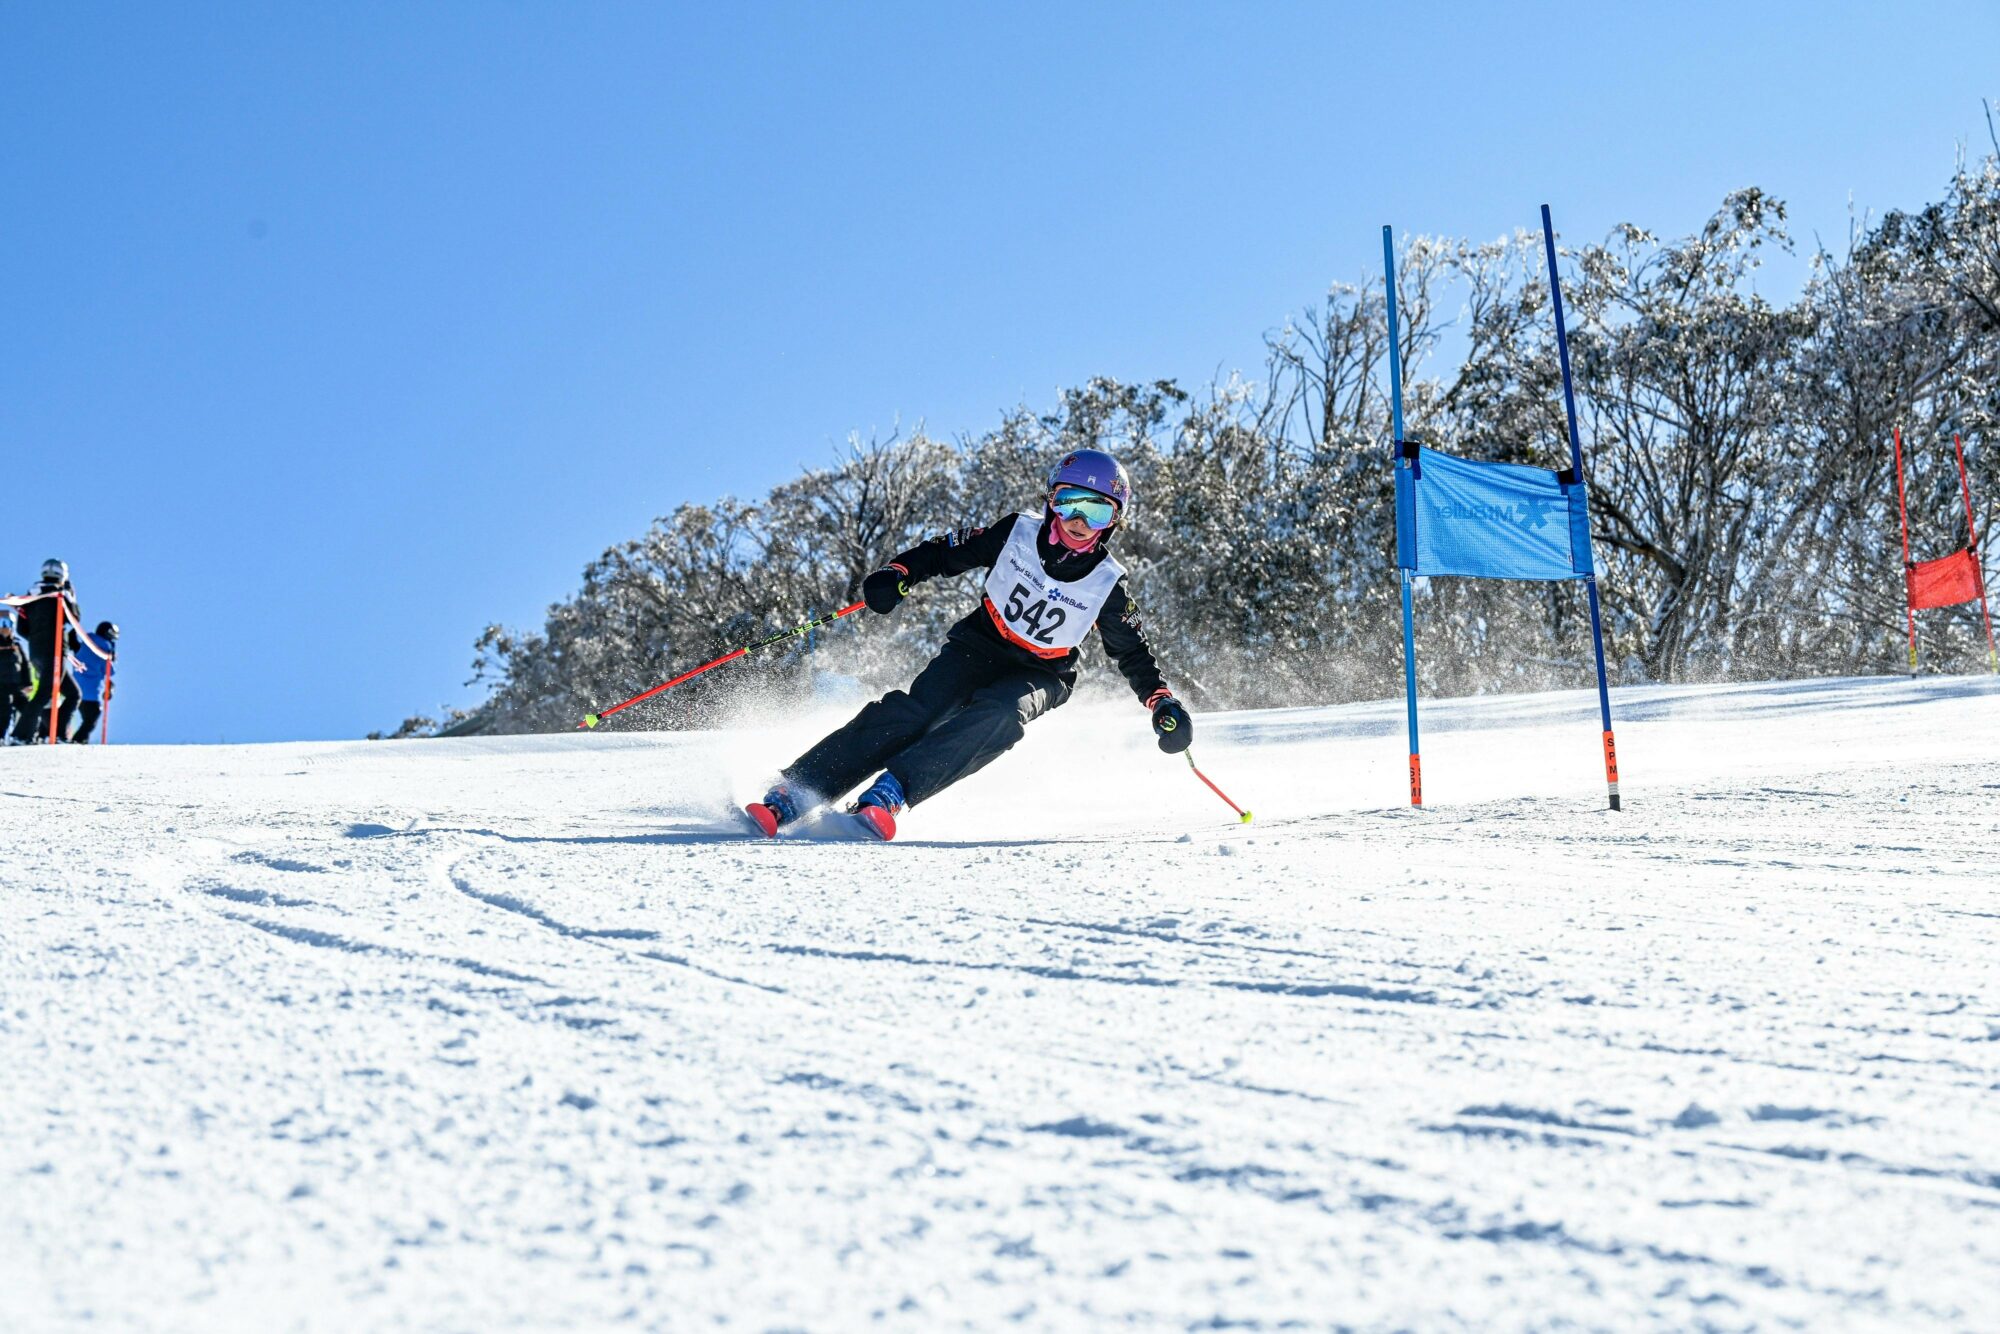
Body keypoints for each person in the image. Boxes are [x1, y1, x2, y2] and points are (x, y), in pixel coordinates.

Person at [745, 449, 1192, 840]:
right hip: (980, 644)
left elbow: (1132, 653)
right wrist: (899, 573)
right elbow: (944, 552)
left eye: (1096, 512)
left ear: (1114, 521)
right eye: (1069, 503)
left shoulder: (1108, 585)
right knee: (917, 712)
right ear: (1050, 501)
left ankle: (891, 792)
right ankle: (799, 789)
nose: (1078, 522)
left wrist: (1162, 703)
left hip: (1041, 672)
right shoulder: (1015, 533)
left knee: (1000, 715)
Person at [12, 559, 82, 744]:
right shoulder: (61, 594)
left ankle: (58, 735)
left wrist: (37, 639)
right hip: (54, 651)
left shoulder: (31, 596)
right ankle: (20, 735)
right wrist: (71, 595)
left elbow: (21, 628)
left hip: (37, 651)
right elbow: (74, 618)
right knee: (45, 692)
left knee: (73, 694)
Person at [70, 621, 118, 743]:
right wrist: (112, 658)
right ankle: (77, 741)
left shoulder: (86, 641)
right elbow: (109, 671)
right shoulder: (105, 646)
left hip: (74, 686)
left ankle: (79, 741)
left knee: (77, 714)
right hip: (90, 692)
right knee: (92, 717)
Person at [0, 615, 32, 744]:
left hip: (16, 685)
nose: (4, 628)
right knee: (4, 711)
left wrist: (27, 683)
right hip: (1, 685)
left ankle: (20, 736)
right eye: (2, 625)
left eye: (8, 625)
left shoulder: (16, 645)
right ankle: (1, 737)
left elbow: (25, 665)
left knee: (28, 709)